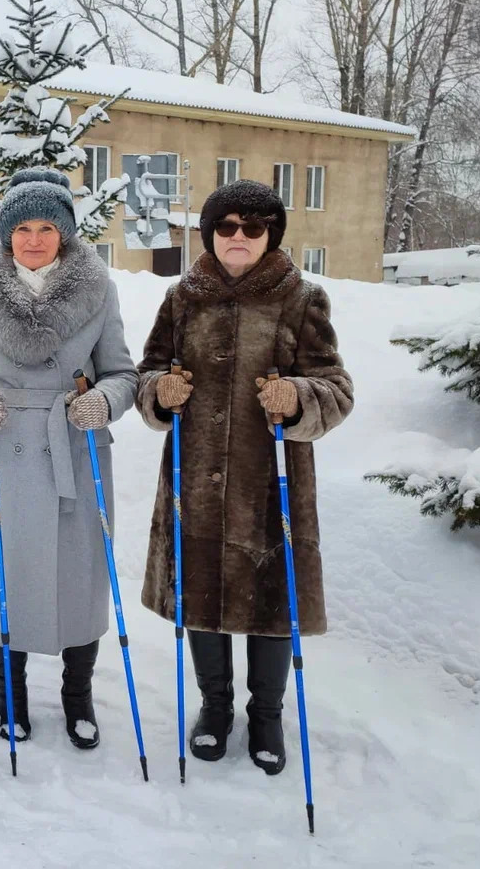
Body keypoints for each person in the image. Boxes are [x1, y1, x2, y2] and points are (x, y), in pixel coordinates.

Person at [136, 179, 354, 774]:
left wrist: (298, 395)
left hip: (269, 484)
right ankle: (215, 707)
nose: (239, 236)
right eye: (227, 226)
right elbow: (148, 370)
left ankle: (266, 714)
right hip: (195, 482)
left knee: (272, 602)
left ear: (271, 235)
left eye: (253, 227)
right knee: (200, 596)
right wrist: (159, 390)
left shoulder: (301, 299)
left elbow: (337, 389)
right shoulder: (183, 299)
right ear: (210, 234)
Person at [0, 169, 138, 749]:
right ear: (7, 236)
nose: (33, 239)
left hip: (75, 450)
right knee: (9, 575)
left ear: (66, 233)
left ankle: (78, 697)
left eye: (46, 227)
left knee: (79, 580)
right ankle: (13, 697)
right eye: (22, 228)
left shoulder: (97, 288)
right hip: (5, 449)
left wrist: (103, 401)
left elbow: (124, 372)